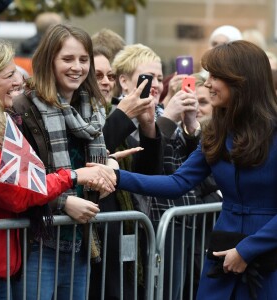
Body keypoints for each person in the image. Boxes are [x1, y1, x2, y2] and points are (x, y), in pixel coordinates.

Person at [105, 40, 277, 299]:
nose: (207, 84)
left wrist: (247, 250)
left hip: (267, 257)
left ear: (242, 81)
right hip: (221, 255)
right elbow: (177, 183)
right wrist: (115, 176)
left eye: (216, 77)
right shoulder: (217, 133)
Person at [0, 38, 115, 300]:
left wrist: (110, 166)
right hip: (4, 253)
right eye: (9, 75)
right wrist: (72, 179)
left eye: (84, 59)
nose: (17, 80)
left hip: (10, 256)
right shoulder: (4, 119)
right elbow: (17, 192)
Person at [11, 23, 129, 300]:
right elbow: (18, 178)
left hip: (82, 243)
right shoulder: (24, 107)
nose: (77, 67)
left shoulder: (94, 110)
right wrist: (63, 203)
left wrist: (107, 168)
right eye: (67, 59)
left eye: (83, 59)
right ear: (48, 60)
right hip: (39, 243)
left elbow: (88, 168)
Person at [90, 43, 164, 299]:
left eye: (109, 76)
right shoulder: (91, 117)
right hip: (94, 235)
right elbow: (90, 154)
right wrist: (123, 116)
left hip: (126, 228)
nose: (106, 82)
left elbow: (149, 176)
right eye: (97, 75)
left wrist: (149, 128)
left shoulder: (112, 114)